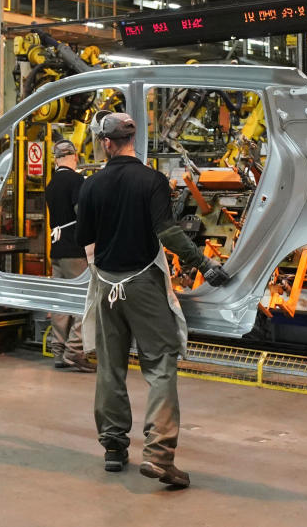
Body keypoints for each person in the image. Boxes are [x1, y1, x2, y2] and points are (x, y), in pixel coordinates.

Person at [76, 111, 230, 488]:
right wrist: (204, 264)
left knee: (110, 365)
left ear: (106, 143)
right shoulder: (152, 180)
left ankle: (114, 449)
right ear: (131, 141)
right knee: (160, 365)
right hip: (143, 283)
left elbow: (87, 242)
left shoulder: (92, 185)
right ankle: (159, 457)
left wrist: (103, 274)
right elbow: (168, 233)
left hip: (106, 286)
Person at [45, 139, 95, 373]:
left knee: (60, 302)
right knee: (83, 300)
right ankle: (75, 351)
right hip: (76, 250)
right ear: (74, 156)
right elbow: (81, 212)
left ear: (56, 159)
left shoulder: (51, 183)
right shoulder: (76, 180)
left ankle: (58, 350)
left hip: (56, 249)